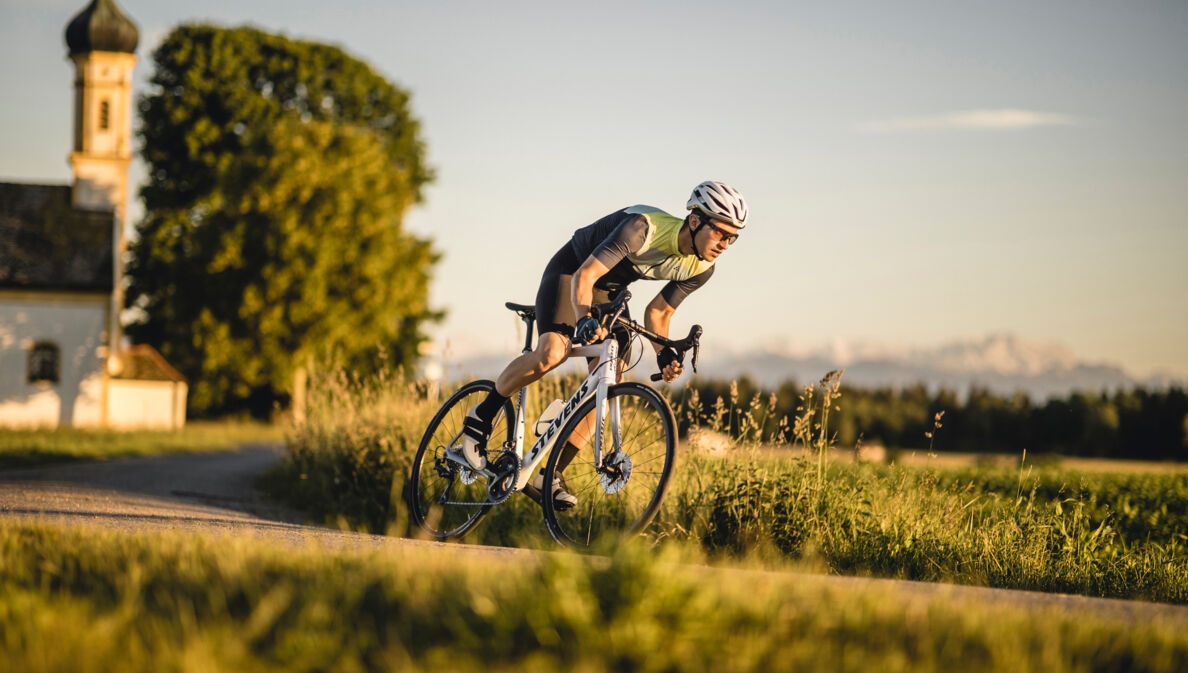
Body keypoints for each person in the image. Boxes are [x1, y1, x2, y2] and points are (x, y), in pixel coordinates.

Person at [461, 180, 749, 508]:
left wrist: (664, 353)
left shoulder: (702, 267)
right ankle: (481, 417)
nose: (726, 243)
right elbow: (585, 277)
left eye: (733, 237)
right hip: (572, 273)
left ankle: (548, 474)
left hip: (610, 293)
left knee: (609, 382)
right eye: (721, 233)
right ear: (696, 221)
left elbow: (659, 311)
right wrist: (583, 317)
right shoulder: (643, 228)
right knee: (554, 351)